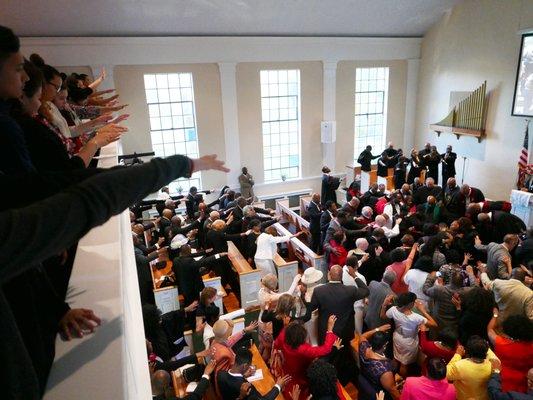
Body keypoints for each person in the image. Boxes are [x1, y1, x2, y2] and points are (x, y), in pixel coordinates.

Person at [274, 317, 339, 399]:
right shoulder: (304, 350)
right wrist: (330, 329)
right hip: (302, 375)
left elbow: (276, 344)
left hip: (288, 370)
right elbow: (325, 349)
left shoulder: (284, 334)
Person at [381, 292, 437, 373]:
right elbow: (434, 324)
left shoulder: (393, 310)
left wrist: (384, 304)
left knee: (396, 358)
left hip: (397, 337)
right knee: (404, 364)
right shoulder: (416, 317)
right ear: (411, 304)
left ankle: (392, 374)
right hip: (409, 342)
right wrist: (423, 310)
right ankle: (401, 380)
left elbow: (382, 316)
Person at [217, 346, 290, 400]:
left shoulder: (220, 374)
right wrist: (278, 386)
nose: (250, 367)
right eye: (249, 365)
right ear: (245, 365)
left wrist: (244, 375)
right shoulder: (247, 389)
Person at [487, 313, 533, 393]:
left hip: (503, 382)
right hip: (525, 385)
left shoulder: (500, 343)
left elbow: (490, 330)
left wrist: (495, 314)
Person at [446, 336, 499, 400]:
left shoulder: (460, 366)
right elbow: (493, 357)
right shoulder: (494, 365)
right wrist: (483, 345)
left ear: (468, 352)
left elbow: (446, 373)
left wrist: (458, 355)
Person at [358, 324, 400, 399]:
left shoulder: (363, 347)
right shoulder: (384, 369)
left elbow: (363, 336)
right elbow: (393, 391)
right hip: (379, 393)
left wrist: (378, 329)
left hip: (366, 381)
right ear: (384, 346)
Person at [423, 270, 464, 334]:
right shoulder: (465, 293)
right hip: (454, 326)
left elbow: (425, 290)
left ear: (450, 280)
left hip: (437, 323)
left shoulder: (439, 289)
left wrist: (431, 277)